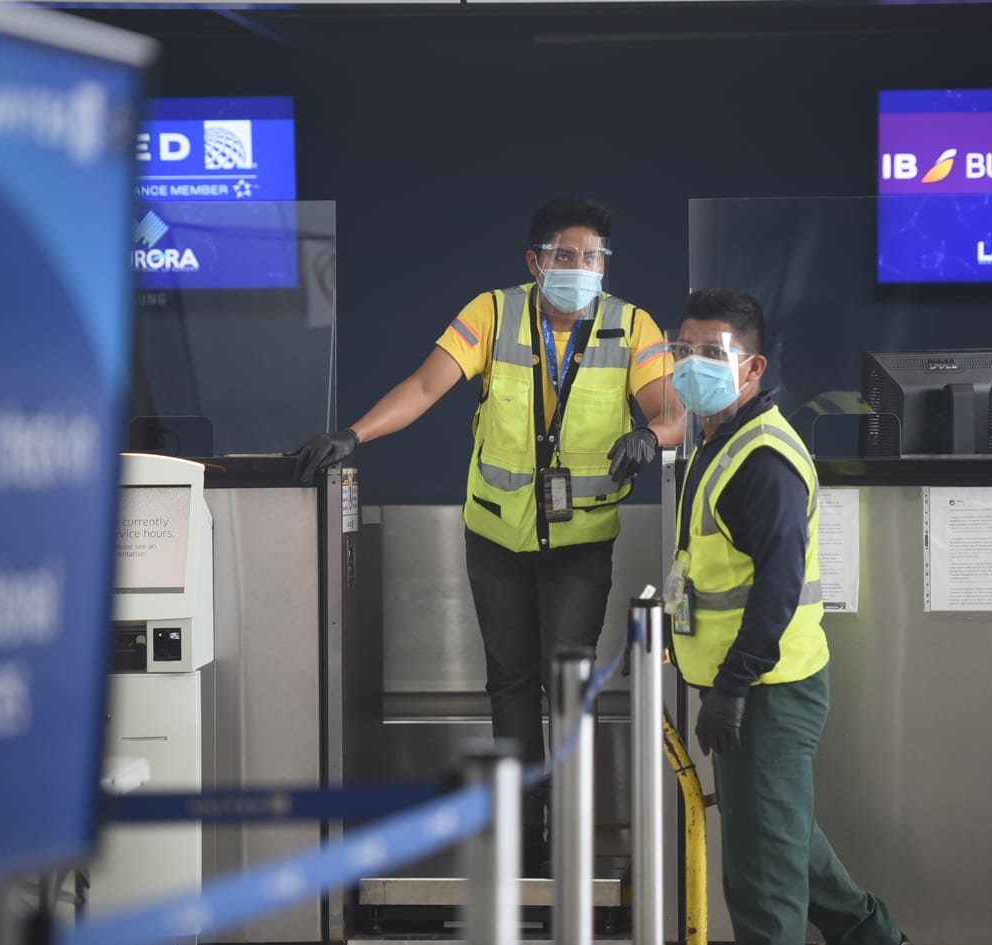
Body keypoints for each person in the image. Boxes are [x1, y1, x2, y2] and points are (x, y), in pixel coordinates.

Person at [292, 197, 678, 874]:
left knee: (568, 681)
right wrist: (354, 434)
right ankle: (523, 830)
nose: (581, 269)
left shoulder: (632, 324)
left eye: (594, 258)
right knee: (510, 681)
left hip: (583, 540)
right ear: (535, 261)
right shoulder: (492, 314)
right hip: (495, 535)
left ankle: (573, 831)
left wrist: (650, 435)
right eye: (566, 256)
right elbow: (422, 387)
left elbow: (673, 413)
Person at [665, 289, 910, 945]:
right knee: (789, 846)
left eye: (712, 352)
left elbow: (777, 589)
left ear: (753, 367)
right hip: (755, 685)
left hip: (765, 693)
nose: (692, 364)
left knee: (763, 881)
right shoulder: (721, 440)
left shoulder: (763, 460)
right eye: (682, 349)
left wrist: (732, 686)